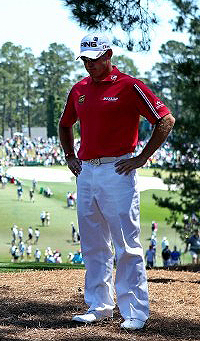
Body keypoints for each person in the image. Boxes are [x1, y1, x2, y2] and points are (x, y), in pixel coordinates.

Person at [60, 33, 175, 330]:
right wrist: (70, 155)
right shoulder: (79, 89)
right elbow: (65, 124)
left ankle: (135, 312)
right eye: (85, 60)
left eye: (95, 59)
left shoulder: (129, 86)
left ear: (108, 55)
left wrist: (142, 157)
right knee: (93, 243)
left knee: (127, 244)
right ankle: (99, 305)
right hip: (86, 171)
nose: (89, 65)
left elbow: (165, 119)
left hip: (118, 170)